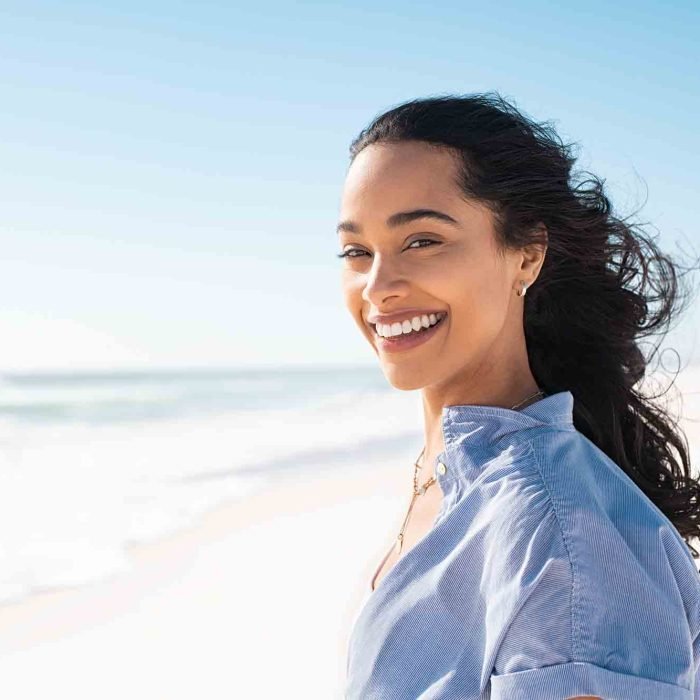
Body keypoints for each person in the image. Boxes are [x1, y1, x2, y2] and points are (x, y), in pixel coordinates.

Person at [338, 92, 700, 700]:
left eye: (422, 241)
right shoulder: (454, 473)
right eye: (356, 251)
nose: (379, 287)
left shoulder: (553, 529)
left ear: (526, 254)